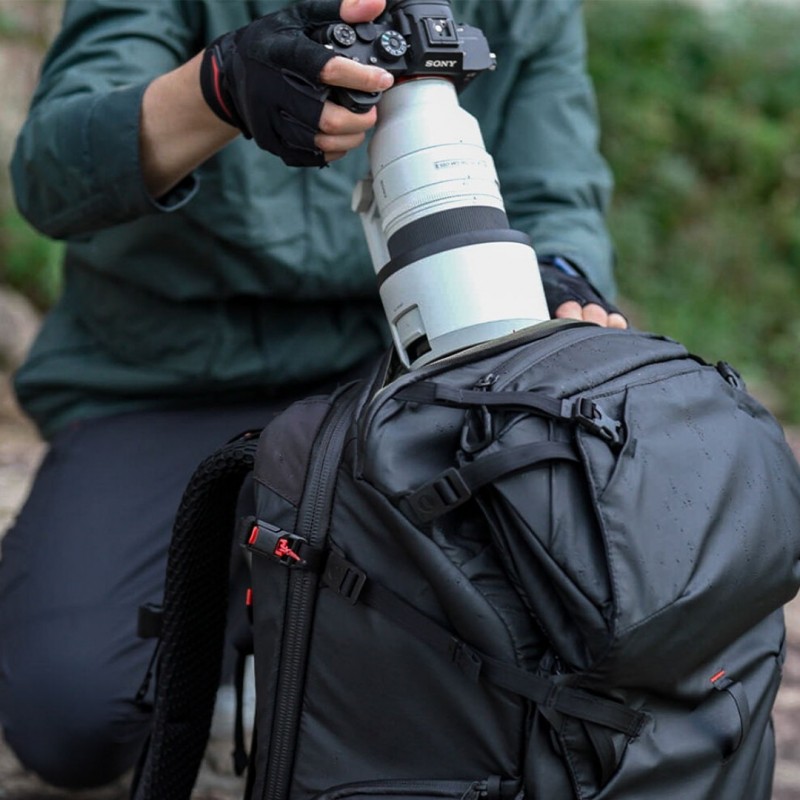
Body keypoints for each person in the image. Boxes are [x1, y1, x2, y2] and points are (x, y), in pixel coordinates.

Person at [0, 0, 626, 789]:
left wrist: (560, 281)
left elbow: (554, 192)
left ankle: (280, 618)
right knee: (70, 714)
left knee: (555, 637)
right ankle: (234, 609)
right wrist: (218, 87)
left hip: (391, 382)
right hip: (160, 379)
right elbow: (51, 175)